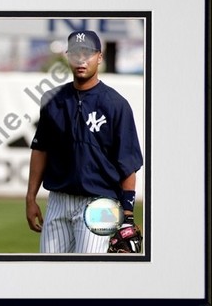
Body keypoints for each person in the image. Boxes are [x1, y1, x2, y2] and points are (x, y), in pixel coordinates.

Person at [25, 30, 143, 253]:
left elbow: (127, 162)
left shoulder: (116, 104)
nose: (81, 60)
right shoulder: (52, 100)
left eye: (87, 53)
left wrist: (127, 214)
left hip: (100, 202)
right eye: (76, 53)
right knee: (49, 277)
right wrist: (30, 197)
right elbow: (41, 149)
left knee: (88, 278)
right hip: (58, 200)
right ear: (68, 56)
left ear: (99, 57)